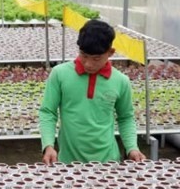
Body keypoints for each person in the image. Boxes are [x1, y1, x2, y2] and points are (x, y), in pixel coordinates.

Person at [39, 19, 145, 165]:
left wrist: (132, 148)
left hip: (108, 163)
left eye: (96, 58)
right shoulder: (60, 74)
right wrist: (48, 145)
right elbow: (47, 111)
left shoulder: (121, 81)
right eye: (84, 55)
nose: (88, 64)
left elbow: (126, 117)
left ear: (110, 53)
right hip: (68, 163)